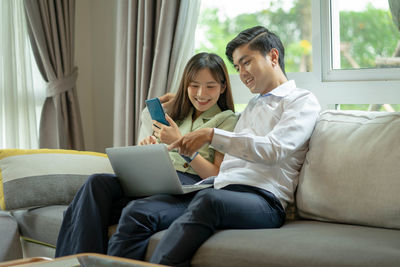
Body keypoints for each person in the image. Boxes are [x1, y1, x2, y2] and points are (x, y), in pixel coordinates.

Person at [104, 26, 321, 266]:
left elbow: (274, 149)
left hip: (264, 200)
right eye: (238, 67)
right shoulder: (252, 106)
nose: (242, 73)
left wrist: (210, 134)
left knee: (207, 202)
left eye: (246, 62)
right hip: (218, 189)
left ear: (273, 56)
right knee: (138, 211)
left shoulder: (301, 101)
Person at [55, 52, 238, 257]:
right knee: (96, 184)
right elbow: (161, 151)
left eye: (210, 86)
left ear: (223, 87)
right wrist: (149, 149)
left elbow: (215, 174)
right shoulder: (177, 116)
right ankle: (78, 262)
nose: (201, 93)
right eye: (194, 85)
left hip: (188, 187)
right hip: (158, 179)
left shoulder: (227, 120)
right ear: (185, 85)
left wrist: (180, 145)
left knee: (94, 209)